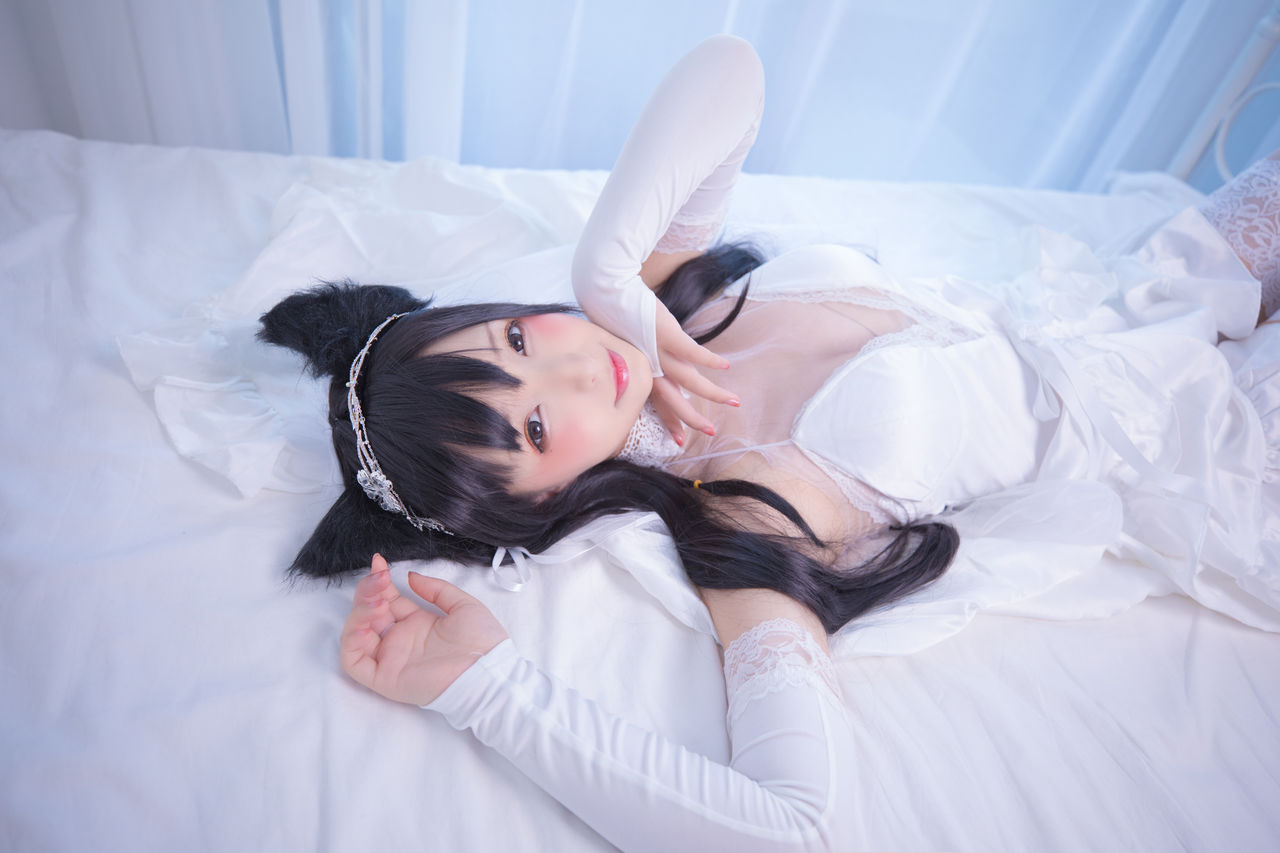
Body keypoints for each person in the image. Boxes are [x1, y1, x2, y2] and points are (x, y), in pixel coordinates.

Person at [259, 36, 1280, 851]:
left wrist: (606, 266)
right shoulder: (746, 514)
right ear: (536, 498)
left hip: (1139, 293)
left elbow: (732, 69)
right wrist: (490, 691)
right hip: (1215, 442)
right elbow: (794, 828)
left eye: (518, 340)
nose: (574, 368)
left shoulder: (656, 292)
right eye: (533, 426)